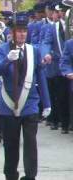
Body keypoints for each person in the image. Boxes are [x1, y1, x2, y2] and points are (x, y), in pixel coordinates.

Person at [0, 12, 51, 180]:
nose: (22, 34)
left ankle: (30, 176)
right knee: (10, 145)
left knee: (31, 144)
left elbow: (40, 77)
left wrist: (46, 103)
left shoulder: (34, 50)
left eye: (24, 31)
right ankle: (11, 176)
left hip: (30, 104)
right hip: (9, 104)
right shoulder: (2, 49)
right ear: (11, 32)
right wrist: (7, 60)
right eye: (18, 31)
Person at [40, 2, 70, 134]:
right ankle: (64, 123)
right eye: (61, 11)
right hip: (59, 67)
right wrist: (46, 53)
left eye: (65, 11)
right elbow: (46, 42)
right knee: (62, 96)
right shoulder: (52, 28)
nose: (63, 14)